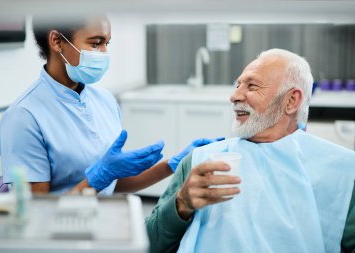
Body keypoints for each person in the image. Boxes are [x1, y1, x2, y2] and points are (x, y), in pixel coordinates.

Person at [146, 48, 355, 253]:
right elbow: (149, 244)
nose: (234, 96)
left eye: (252, 86)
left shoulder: (342, 173)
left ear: (291, 101)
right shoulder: (200, 163)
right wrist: (180, 204)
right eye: (237, 85)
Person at [0, 15, 222, 195]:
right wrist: (99, 177)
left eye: (107, 43)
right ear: (57, 41)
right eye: (96, 43)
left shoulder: (104, 101)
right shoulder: (24, 117)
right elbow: (35, 218)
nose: (104, 53)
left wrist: (174, 164)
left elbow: (116, 182)